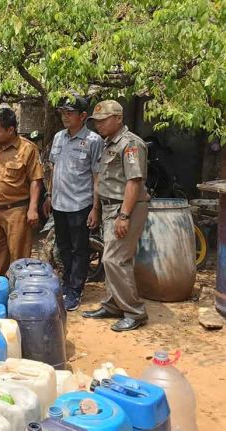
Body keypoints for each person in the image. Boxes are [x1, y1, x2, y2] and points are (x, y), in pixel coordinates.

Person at [82, 100, 150, 332]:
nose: (99, 125)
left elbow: (134, 181)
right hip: (111, 208)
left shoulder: (130, 144)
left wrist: (124, 215)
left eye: (103, 120)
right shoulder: (107, 144)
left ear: (118, 119)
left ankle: (135, 312)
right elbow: (103, 179)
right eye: (96, 121)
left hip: (126, 208)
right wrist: (97, 208)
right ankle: (113, 305)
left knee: (114, 259)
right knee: (113, 260)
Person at [42, 95, 103, 311]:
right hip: (59, 204)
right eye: (63, 112)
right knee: (63, 246)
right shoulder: (59, 137)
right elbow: (54, 169)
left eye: (70, 112)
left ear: (83, 116)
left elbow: (97, 177)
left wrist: (96, 208)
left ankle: (76, 290)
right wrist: (49, 196)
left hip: (80, 204)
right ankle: (66, 283)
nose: (65, 116)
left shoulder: (94, 141)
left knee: (80, 249)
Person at [0, 108, 44, 276]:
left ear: (11, 130)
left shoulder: (28, 149)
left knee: (18, 258)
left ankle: (17, 294)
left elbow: (36, 180)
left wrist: (33, 208)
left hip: (17, 211)